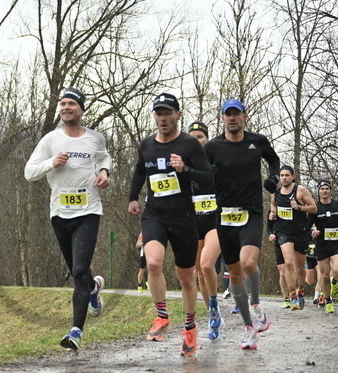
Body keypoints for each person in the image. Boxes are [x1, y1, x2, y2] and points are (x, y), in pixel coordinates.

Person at [24, 87, 110, 351]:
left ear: (81, 109)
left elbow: (104, 158)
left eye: (71, 103)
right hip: (60, 214)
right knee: (77, 271)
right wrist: (51, 163)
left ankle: (75, 332)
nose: (66, 108)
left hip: (88, 211)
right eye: (62, 104)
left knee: (80, 270)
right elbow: (29, 172)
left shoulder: (95, 139)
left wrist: (105, 172)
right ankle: (94, 290)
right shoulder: (50, 140)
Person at [128, 93, 213, 356]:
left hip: (185, 219)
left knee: (186, 277)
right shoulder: (147, 145)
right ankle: (162, 316)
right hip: (155, 215)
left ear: (178, 115)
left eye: (168, 113)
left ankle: (189, 327)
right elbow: (140, 171)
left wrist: (185, 170)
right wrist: (132, 198)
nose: (163, 118)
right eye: (158, 113)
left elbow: (209, 179)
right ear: (154, 116)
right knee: (152, 262)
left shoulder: (190, 145)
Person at [204, 98, 281, 350]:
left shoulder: (257, 141)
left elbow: (274, 160)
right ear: (223, 118)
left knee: (248, 263)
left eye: (236, 114)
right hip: (224, 215)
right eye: (228, 114)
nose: (232, 118)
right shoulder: (213, 146)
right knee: (234, 272)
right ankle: (249, 329)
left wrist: (273, 178)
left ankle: (257, 305)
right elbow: (201, 175)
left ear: (244, 117)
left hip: (251, 212)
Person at [187, 121, 223, 340]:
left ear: (207, 139)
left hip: (215, 220)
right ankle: (212, 310)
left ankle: (215, 302)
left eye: (200, 137)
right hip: (193, 222)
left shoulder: (216, 162)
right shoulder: (183, 165)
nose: (196, 141)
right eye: (192, 138)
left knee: (207, 264)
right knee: (198, 271)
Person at [267, 165, 317, 310]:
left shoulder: (300, 190)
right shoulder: (275, 194)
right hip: (283, 231)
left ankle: (300, 290)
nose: (284, 178)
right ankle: (292, 296)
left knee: (299, 267)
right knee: (288, 263)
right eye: (282, 175)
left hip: (300, 231)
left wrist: (299, 208)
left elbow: (314, 208)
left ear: (293, 176)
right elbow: (273, 210)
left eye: (287, 175)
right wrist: (273, 214)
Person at [310, 180, 338, 313]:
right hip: (321, 244)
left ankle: (334, 281)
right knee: (324, 276)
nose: (324, 191)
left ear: (330, 190)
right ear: (318, 191)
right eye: (322, 189)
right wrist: (312, 232)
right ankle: (328, 300)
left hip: (336, 243)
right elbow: (308, 225)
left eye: (327, 188)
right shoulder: (314, 208)